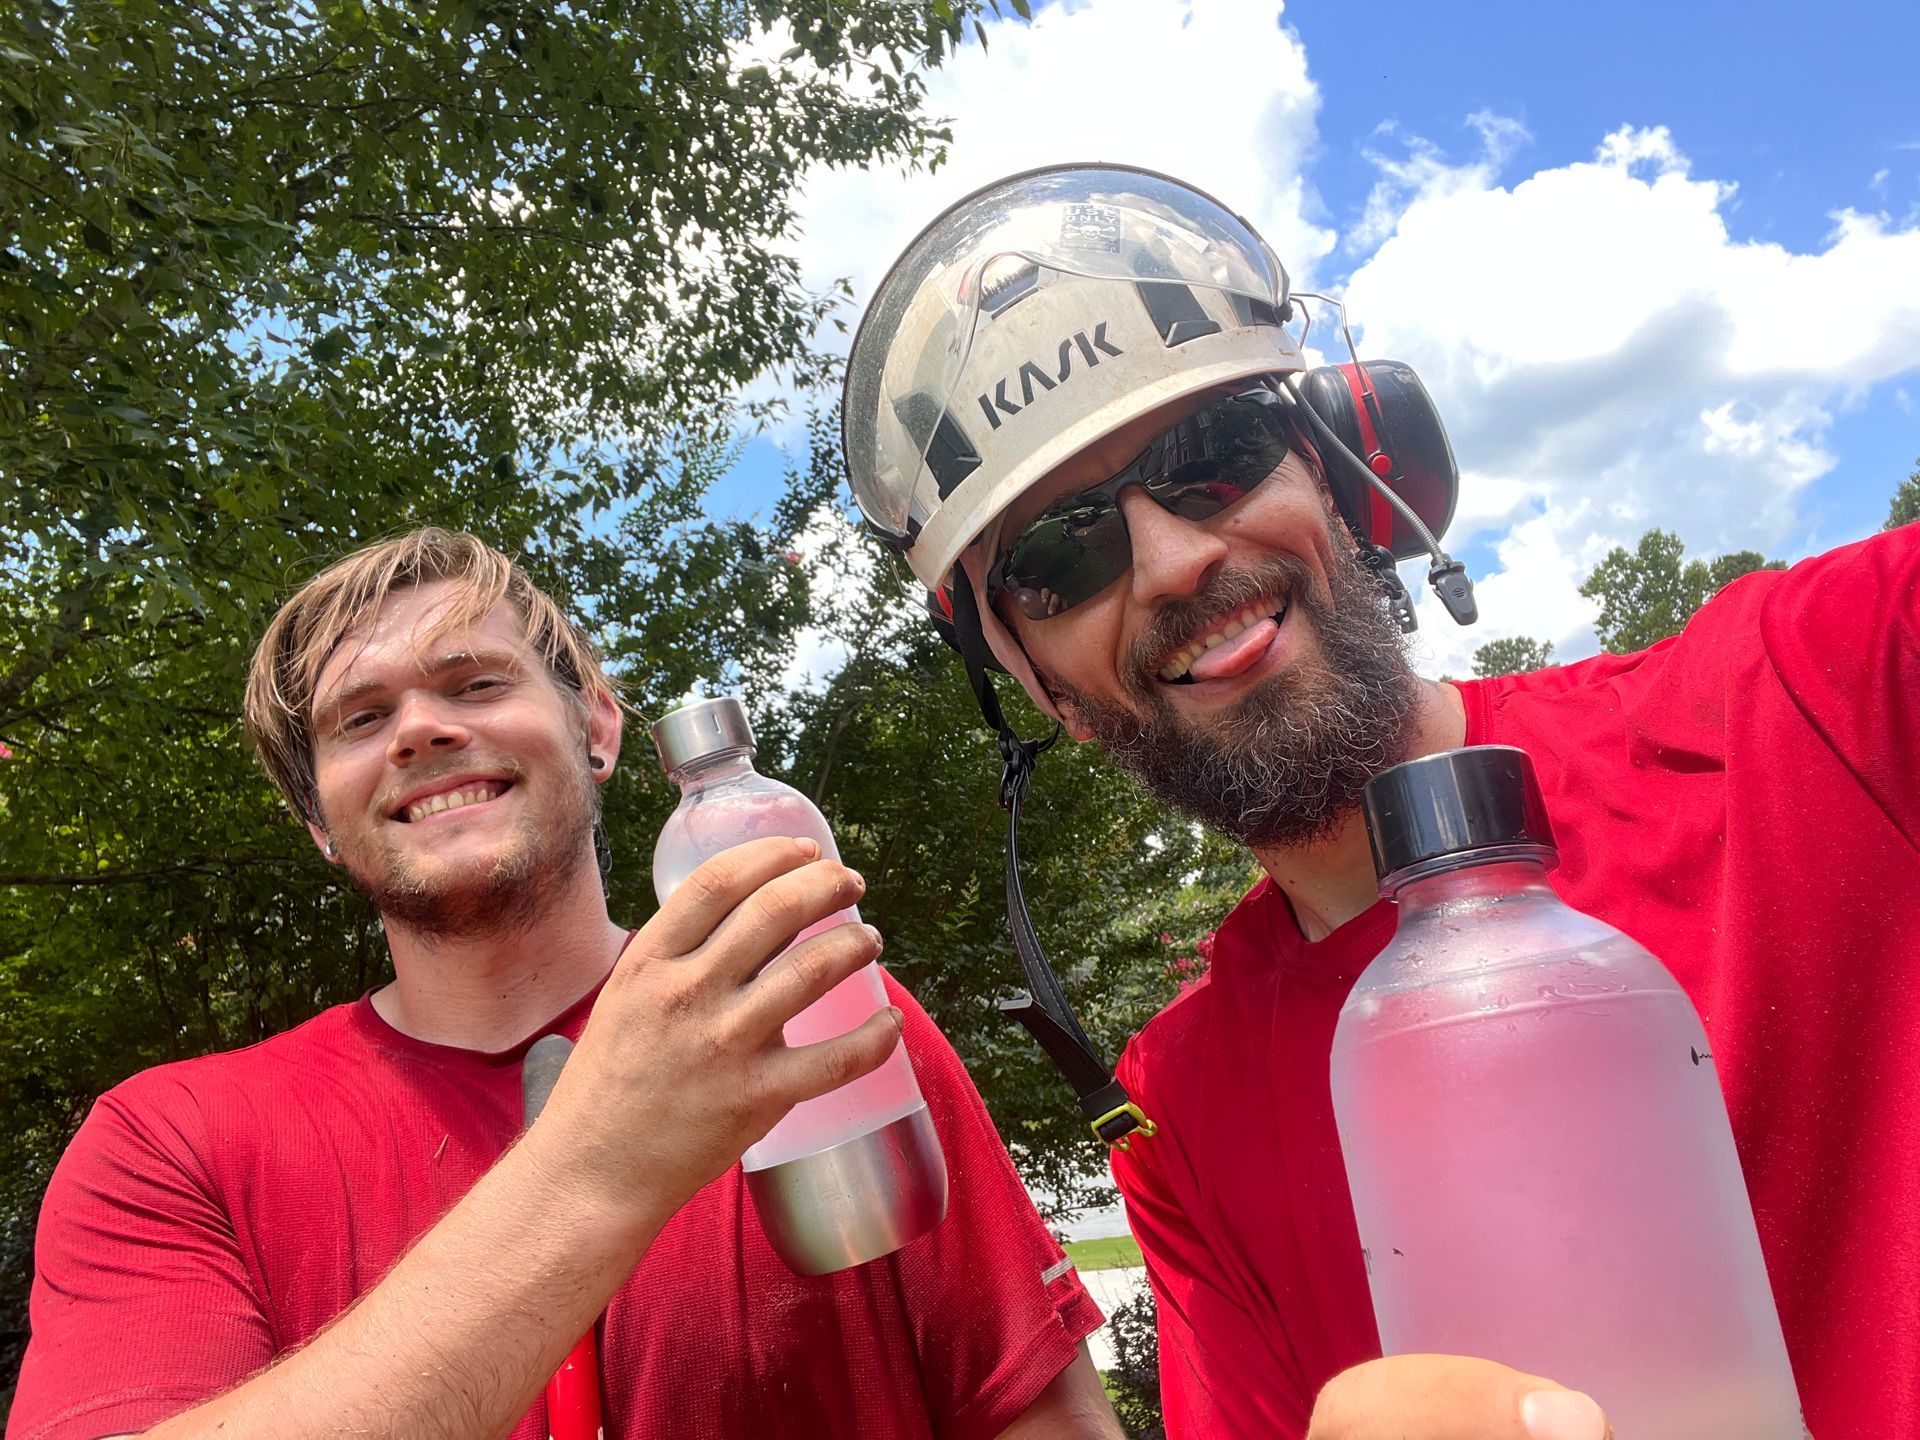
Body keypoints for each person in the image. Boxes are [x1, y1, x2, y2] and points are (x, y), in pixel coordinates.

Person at [840, 164, 1919, 1440]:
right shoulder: (1180, 1113)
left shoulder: (1814, 696)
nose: (1177, 557)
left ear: (1346, 472)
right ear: (1038, 688)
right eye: (1060, 555)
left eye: (1214, 459)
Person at [8, 529, 1120, 1440]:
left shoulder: (801, 1006)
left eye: (475, 682)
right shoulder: (166, 1144)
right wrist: (601, 1162)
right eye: (359, 719)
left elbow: (1035, 1413)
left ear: (597, 725)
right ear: (315, 821)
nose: (423, 731)